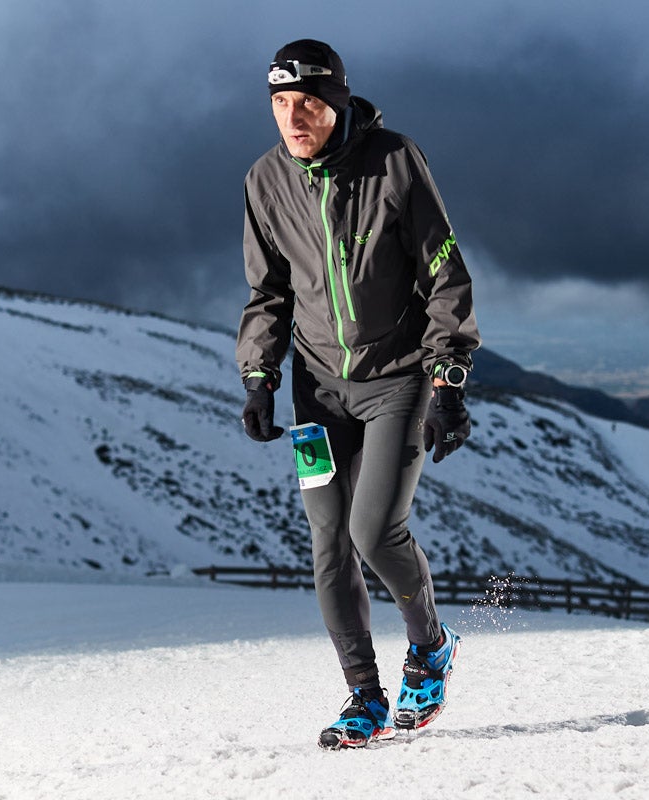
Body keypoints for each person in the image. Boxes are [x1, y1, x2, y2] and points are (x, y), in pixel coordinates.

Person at [235, 39, 481, 750]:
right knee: (327, 543)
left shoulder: (395, 161)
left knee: (373, 532)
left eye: (307, 101)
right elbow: (269, 291)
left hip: (397, 380)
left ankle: (430, 646)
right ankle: (363, 697)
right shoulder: (264, 181)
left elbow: (444, 271)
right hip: (317, 393)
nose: (293, 117)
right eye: (280, 103)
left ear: (338, 99)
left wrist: (449, 384)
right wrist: (259, 378)